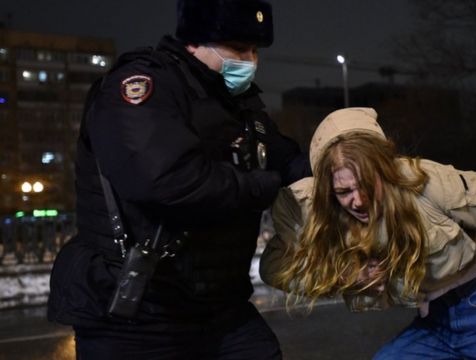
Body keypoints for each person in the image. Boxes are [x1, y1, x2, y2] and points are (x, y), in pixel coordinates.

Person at [48, 1, 310, 359]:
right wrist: (264, 184)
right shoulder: (141, 87)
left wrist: (343, 163)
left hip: (219, 307)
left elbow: (287, 160)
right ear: (194, 42)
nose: (250, 61)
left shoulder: (241, 106)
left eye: (254, 50)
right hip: (138, 316)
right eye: (238, 49)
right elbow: (168, 181)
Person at [260, 107, 476, 359]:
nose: (358, 201)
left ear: (384, 169)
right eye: (343, 191)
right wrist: (346, 275)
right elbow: (274, 266)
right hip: (432, 321)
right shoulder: (322, 213)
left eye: (365, 184)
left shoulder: (427, 182)